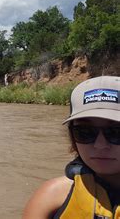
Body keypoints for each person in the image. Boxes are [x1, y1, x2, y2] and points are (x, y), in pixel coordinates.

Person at [23, 76, 120, 219]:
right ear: (72, 136)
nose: (100, 145)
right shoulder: (50, 197)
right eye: (85, 132)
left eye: (117, 132)